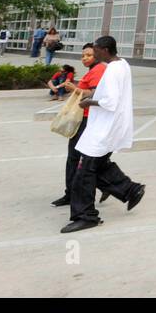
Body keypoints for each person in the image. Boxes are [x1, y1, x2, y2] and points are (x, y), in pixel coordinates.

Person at [62, 36, 145, 232]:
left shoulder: (113, 70)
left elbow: (110, 101)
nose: (93, 53)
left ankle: (87, 216)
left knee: (83, 173)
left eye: (95, 50)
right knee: (97, 166)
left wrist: (87, 102)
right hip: (110, 126)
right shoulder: (122, 64)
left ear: (105, 50)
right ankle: (130, 190)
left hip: (104, 129)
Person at [51, 44, 115, 208]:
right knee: (77, 158)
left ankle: (103, 187)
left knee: (77, 158)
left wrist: (75, 89)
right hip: (84, 118)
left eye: (88, 55)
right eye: (82, 56)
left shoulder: (99, 69)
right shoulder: (94, 70)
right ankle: (73, 192)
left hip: (87, 119)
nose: (84, 58)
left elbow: (95, 93)